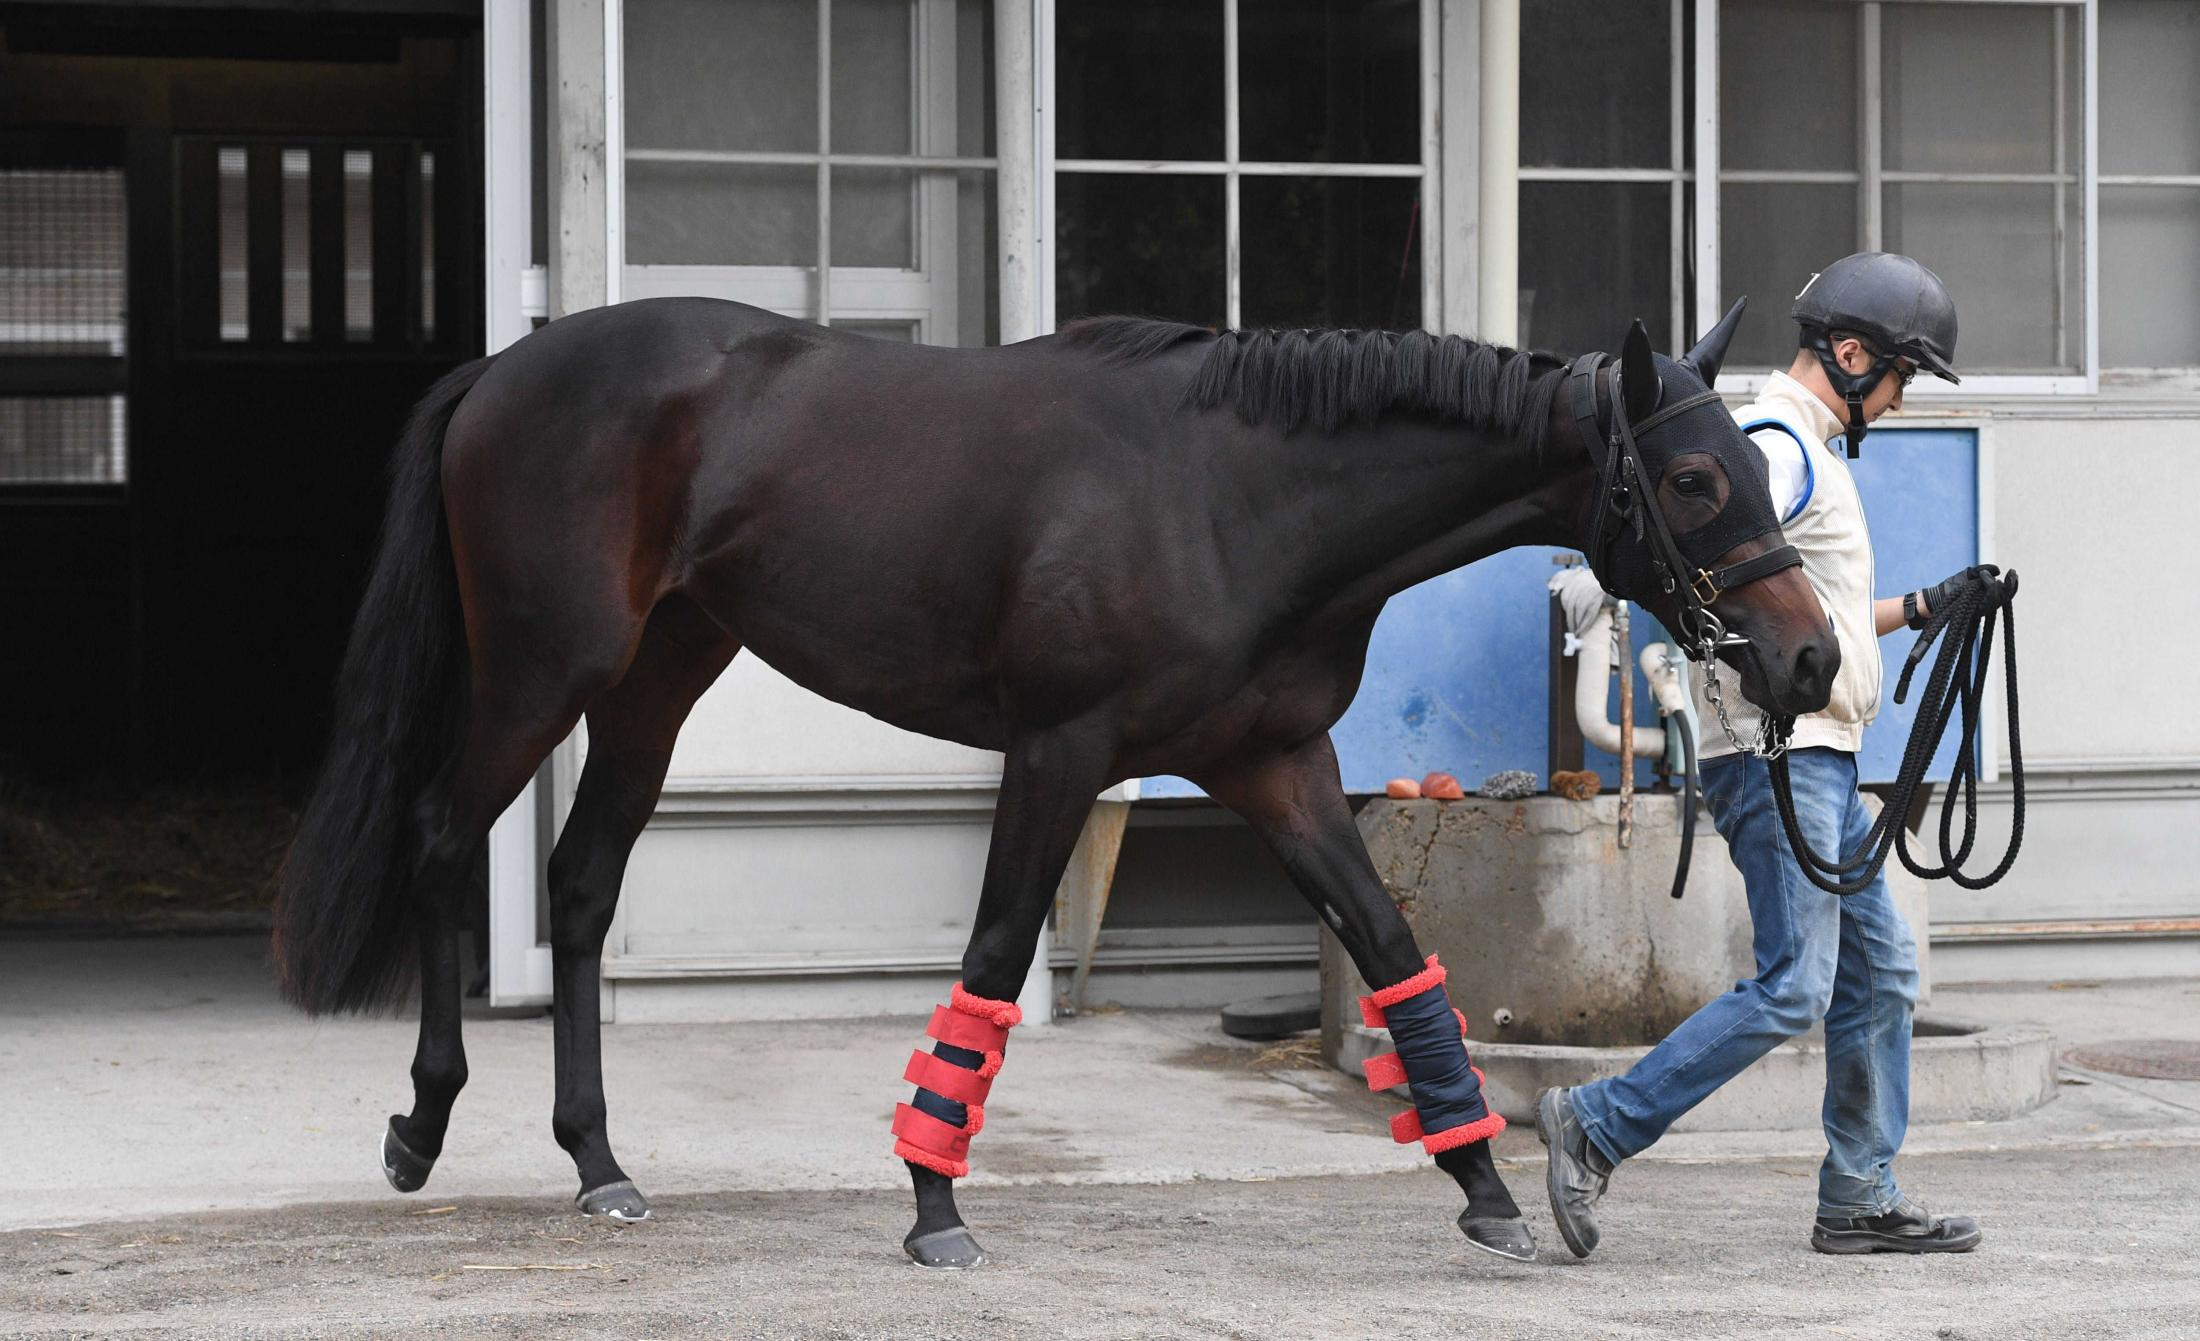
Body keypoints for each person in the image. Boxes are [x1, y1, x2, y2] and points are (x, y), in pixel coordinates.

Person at [1537, 252, 1997, 1258]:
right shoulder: (1778, 445)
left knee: (1879, 972)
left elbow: (1803, 617)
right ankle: (1598, 1122)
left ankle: (1859, 1194)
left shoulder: (1798, 445)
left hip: (1819, 751)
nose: (1903, 400)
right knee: (1797, 982)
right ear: (1848, 353)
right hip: (1781, 755)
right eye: (1902, 377)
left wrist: (1924, 608)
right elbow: (1712, 577)